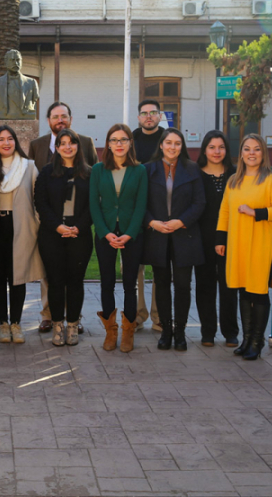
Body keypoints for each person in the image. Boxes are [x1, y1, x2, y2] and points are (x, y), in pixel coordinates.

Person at [216, 134, 272, 361]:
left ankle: (257, 341)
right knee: (243, 291)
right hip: (238, 243)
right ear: (242, 153)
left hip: (262, 244)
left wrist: (256, 212)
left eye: (256, 149)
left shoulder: (270, 180)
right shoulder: (233, 181)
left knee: (258, 292)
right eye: (247, 149)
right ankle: (246, 339)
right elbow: (225, 211)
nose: (251, 153)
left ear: (263, 154)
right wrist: (220, 239)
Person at [28, 101, 97, 334]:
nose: (60, 120)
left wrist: (79, 226)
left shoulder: (88, 157)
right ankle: (52, 318)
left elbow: (94, 195)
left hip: (80, 230)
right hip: (51, 227)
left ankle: (73, 321)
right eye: (55, 116)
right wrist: (56, 226)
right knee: (53, 279)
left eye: (64, 116)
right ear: (48, 120)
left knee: (75, 280)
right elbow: (39, 197)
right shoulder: (39, 152)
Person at [143, 128, 206, 351]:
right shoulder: (148, 169)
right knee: (161, 285)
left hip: (184, 235)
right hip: (157, 236)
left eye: (177, 143)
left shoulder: (192, 168)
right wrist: (153, 223)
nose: (172, 147)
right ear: (161, 145)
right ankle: (165, 331)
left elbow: (199, 203)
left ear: (182, 146)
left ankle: (180, 332)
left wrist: (181, 221)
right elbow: (141, 204)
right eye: (168, 143)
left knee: (182, 286)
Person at [0, 126, 44, 344]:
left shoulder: (28, 166)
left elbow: (38, 198)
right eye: (1, 139)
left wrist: (37, 225)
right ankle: (2, 323)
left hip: (22, 226)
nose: (6, 143)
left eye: (10, 139)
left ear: (16, 142)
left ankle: (16, 323)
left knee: (18, 276)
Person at [89, 124, 148, 353]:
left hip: (132, 234)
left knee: (130, 285)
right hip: (105, 234)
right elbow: (95, 204)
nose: (119, 144)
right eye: (114, 140)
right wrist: (105, 233)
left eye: (123, 139)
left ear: (130, 143)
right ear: (108, 144)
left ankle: (128, 332)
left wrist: (129, 233)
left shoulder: (139, 170)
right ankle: (111, 331)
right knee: (107, 282)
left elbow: (141, 205)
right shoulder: (98, 170)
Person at [195, 130, 239, 347]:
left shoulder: (236, 174)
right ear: (204, 149)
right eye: (212, 147)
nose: (216, 151)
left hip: (231, 238)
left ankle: (231, 332)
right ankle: (207, 332)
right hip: (202, 239)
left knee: (229, 286)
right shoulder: (195, 174)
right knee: (204, 285)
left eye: (221, 147)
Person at [132, 99, 164, 332]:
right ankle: (137, 314)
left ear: (160, 116)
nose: (149, 117)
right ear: (139, 117)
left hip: (161, 210)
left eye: (153, 112)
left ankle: (158, 315)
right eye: (144, 113)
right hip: (134, 210)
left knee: (160, 266)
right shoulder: (130, 139)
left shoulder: (168, 139)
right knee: (136, 268)